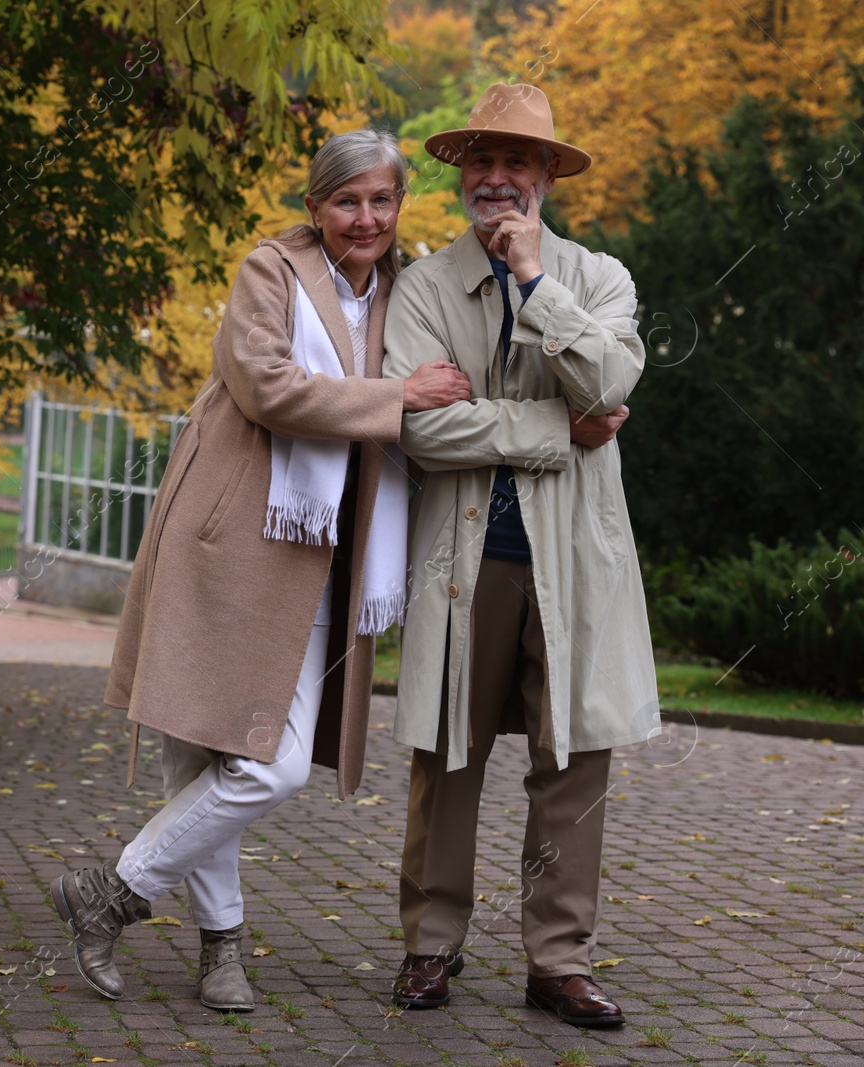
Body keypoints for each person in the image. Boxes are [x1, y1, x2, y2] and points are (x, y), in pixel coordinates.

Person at [49, 129, 473, 1013]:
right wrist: (400, 397)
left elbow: (443, 396)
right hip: (227, 537)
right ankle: (220, 948)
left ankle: (112, 893)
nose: (367, 218)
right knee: (203, 746)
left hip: (326, 554)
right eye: (347, 200)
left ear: (400, 207)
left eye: (382, 200)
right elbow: (266, 386)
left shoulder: (409, 291)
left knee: (255, 762)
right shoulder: (270, 270)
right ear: (315, 207)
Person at [380, 83, 659, 1029]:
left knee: (573, 759)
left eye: (517, 162)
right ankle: (429, 945)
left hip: (576, 561)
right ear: (462, 175)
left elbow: (614, 381)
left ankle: (558, 960)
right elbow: (422, 431)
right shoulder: (421, 287)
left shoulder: (602, 279)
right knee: (447, 750)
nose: (495, 178)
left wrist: (539, 285)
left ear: (546, 175)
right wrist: (556, 425)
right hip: (462, 561)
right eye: (480, 163)